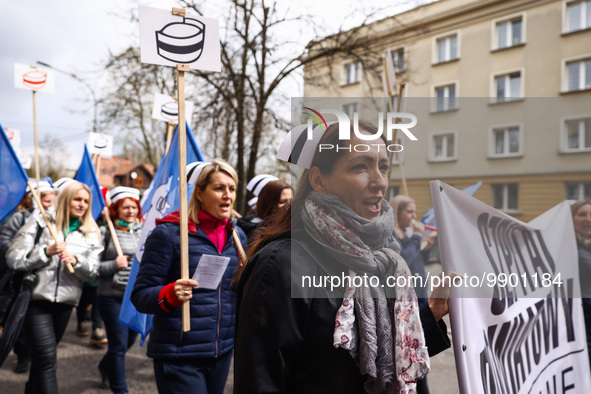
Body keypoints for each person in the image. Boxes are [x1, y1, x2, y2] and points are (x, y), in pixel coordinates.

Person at [234, 121, 452, 393]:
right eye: (360, 166)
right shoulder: (281, 264)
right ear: (319, 180)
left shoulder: (386, 258)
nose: (380, 181)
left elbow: (390, 356)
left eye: (383, 167)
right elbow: (261, 381)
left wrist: (431, 314)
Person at [131, 159, 247, 394]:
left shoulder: (238, 236)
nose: (227, 195)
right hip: (179, 354)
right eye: (219, 188)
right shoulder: (169, 234)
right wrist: (169, 294)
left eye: (232, 188)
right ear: (200, 194)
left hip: (221, 352)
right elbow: (141, 295)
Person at [6, 181, 102, 394]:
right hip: (36, 300)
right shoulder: (39, 224)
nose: (82, 205)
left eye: (86, 201)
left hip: (66, 302)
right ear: (66, 198)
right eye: (77, 199)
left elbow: (94, 270)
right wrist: (45, 252)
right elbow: (14, 259)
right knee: (48, 359)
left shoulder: (90, 231)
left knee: (42, 359)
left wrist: (77, 261)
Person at [0, 179, 57, 374]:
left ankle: (33, 352)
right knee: (18, 316)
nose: (48, 205)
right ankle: (22, 354)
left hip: (39, 276)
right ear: (34, 200)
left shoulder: (53, 221)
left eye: (51, 201)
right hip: (17, 274)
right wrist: (22, 255)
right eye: (45, 201)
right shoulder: (21, 217)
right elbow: (6, 239)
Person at [97, 186, 143, 393]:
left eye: (134, 207)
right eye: (125, 207)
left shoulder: (145, 230)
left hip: (136, 297)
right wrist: (113, 265)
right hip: (111, 297)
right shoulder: (105, 231)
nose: (131, 211)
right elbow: (92, 268)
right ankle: (120, 389)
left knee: (129, 341)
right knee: (118, 344)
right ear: (115, 209)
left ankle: (105, 366)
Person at [237, 175, 293, 240]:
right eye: (282, 202)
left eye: (291, 201)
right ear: (268, 203)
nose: (289, 205)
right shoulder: (257, 234)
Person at [572, 199, 591, 368]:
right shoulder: (569, 246)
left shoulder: (587, 245)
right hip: (583, 315)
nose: (588, 219)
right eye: (582, 214)